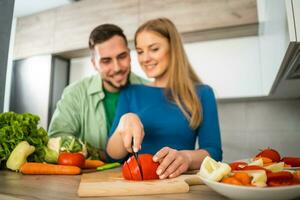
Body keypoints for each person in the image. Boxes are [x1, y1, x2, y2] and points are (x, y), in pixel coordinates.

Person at [106, 18, 222, 179]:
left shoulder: (202, 93)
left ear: (173, 48)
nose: (145, 58)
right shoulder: (130, 92)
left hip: (178, 184)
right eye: (140, 51)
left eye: (153, 49)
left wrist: (187, 158)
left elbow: (214, 153)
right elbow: (112, 155)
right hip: (134, 187)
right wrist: (124, 123)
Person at [48, 24, 146, 160]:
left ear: (129, 55)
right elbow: (56, 138)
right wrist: (97, 154)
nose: (117, 67)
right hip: (91, 176)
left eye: (122, 56)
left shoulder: (149, 88)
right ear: (94, 63)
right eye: (106, 61)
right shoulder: (75, 93)